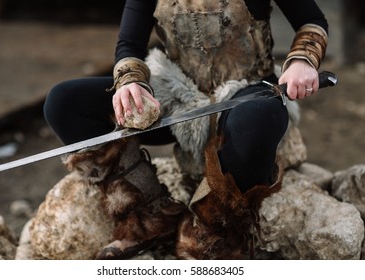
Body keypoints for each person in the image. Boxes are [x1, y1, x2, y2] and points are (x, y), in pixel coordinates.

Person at [43, 0, 328, 259]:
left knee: (258, 119)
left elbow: (312, 21)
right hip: (178, 96)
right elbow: (129, 44)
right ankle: (150, 216)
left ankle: (213, 230)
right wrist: (130, 81)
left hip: (246, 95)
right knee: (65, 102)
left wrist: (303, 60)